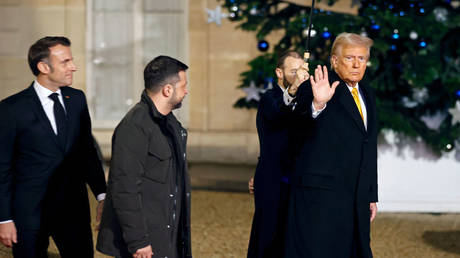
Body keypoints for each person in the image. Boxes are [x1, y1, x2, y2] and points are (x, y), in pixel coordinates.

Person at [0, 36, 107, 257]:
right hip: (29, 215)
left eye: (72, 61)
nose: (73, 67)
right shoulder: (11, 109)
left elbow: (87, 152)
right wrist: (4, 218)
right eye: (65, 62)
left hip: (73, 211)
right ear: (43, 67)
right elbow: (2, 167)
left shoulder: (77, 99)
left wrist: (102, 195)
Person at [285, 32, 378, 258]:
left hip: (355, 196)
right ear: (334, 61)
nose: (357, 64)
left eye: (362, 58)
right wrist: (317, 105)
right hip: (321, 198)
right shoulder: (316, 87)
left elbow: (369, 146)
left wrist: (371, 194)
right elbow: (296, 128)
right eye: (349, 58)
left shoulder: (367, 92)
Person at [96, 56, 192, 258]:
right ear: (167, 90)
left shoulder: (170, 124)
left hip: (167, 235)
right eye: (183, 85)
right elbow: (124, 188)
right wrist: (139, 241)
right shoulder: (134, 126)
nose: (186, 91)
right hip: (145, 242)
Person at [247, 51, 309, 258]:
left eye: (302, 71)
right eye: (293, 71)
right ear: (279, 73)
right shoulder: (269, 98)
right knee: (268, 237)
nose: (299, 75)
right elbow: (277, 111)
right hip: (273, 179)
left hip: (299, 180)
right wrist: (293, 89)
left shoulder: (308, 100)